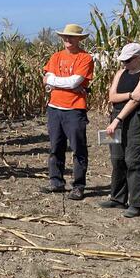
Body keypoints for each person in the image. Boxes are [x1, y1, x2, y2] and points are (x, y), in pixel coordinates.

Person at [100, 43, 140, 218]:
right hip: (115, 118)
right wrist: (130, 94)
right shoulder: (120, 73)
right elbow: (112, 97)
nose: (125, 64)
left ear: (138, 57)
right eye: (123, 60)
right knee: (117, 159)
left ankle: (135, 203)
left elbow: (137, 101)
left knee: (133, 161)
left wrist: (118, 119)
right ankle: (117, 198)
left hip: (135, 120)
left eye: (128, 60)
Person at [42, 24, 94, 200]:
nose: (67, 40)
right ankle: (56, 182)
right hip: (54, 108)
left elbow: (75, 81)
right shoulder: (56, 56)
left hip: (74, 109)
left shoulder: (85, 58)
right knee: (56, 147)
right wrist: (61, 82)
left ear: (79, 39)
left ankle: (78, 186)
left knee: (78, 148)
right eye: (65, 37)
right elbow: (46, 78)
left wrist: (55, 81)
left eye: (71, 37)